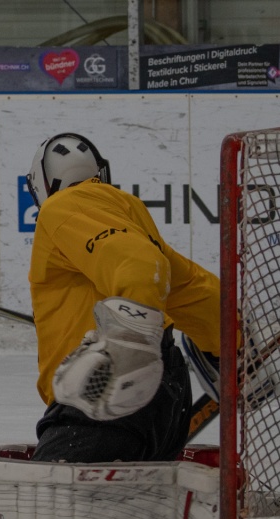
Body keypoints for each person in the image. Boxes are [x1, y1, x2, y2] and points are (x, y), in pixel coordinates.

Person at [23, 132, 221, 464]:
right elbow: (194, 289)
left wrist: (132, 344)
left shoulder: (62, 206)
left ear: (40, 185)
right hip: (168, 397)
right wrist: (233, 348)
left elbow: (140, 266)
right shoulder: (129, 216)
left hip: (106, 383)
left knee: (51, 509)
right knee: (138, 512)